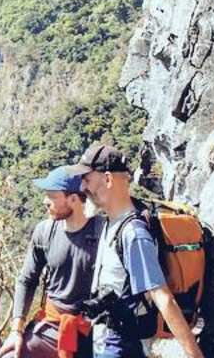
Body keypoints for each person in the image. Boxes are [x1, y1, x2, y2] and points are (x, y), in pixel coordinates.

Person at [70, 144, 203, 358]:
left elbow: (163, 297)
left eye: (86, 179)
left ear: (108, 180)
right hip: (106, 341)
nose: (82, 186)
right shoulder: (111, 222)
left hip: (121, 346)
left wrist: (194, 355)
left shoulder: (133, 234)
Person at [0, 166, 103, 358]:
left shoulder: (103, 233)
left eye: (52, 196)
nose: (45, 201)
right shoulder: (45, 232)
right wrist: (16, 330)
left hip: (93, 327)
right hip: (51, 326)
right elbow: (27, 280)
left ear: (73, 199)